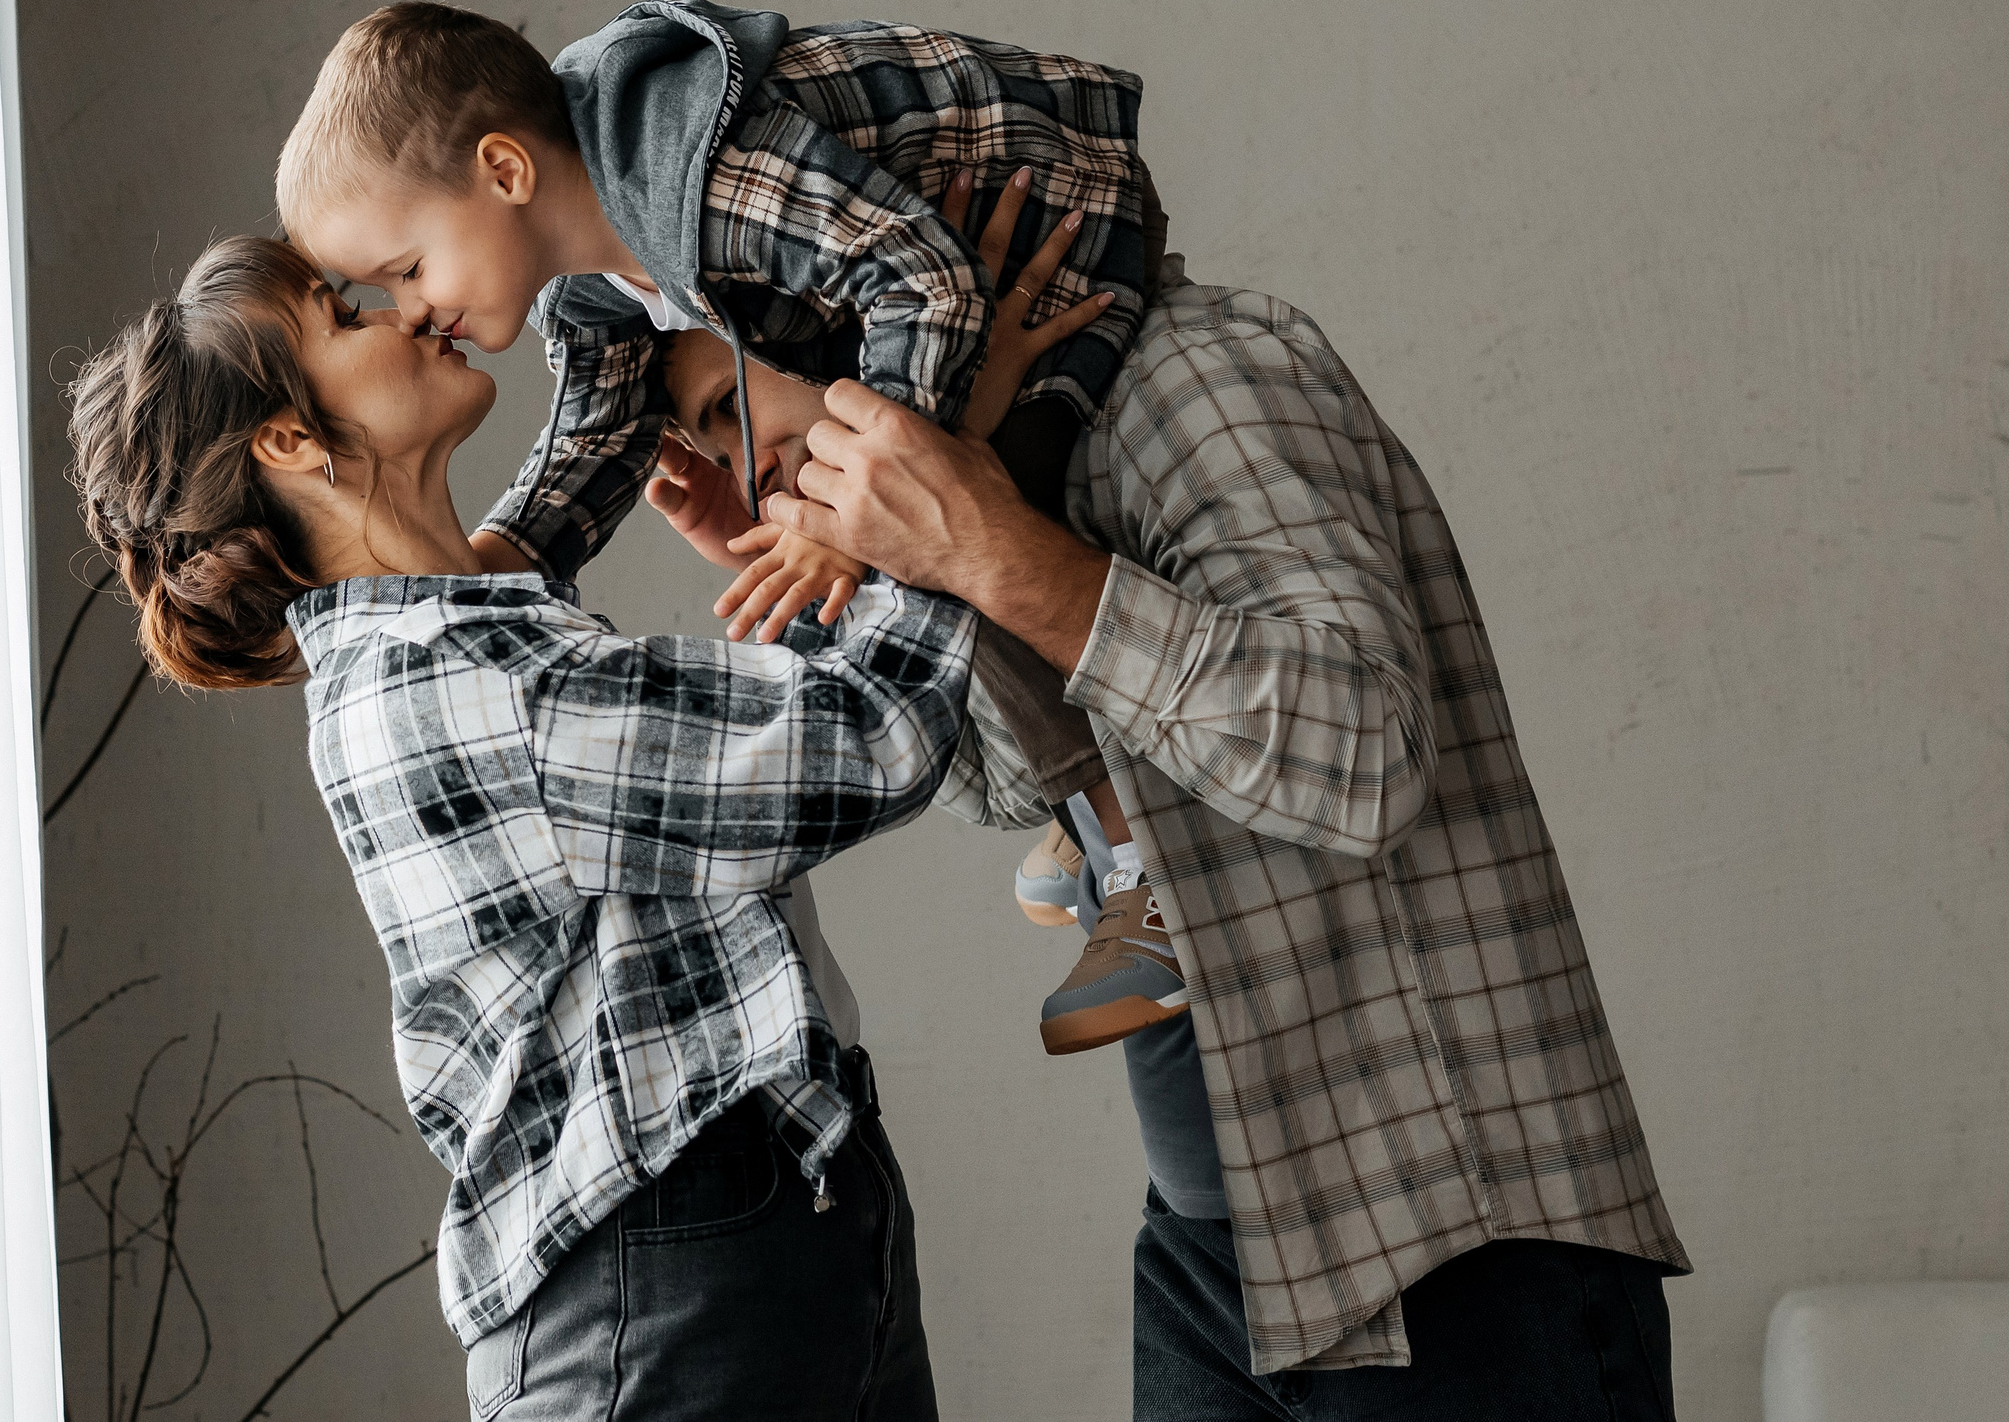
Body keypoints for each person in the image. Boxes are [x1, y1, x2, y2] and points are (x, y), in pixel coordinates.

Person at [678, 261, 1695, 1415]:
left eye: (727, 409)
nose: (740, 461)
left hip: (1447, 1245)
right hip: (1215, 1247)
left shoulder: (1194, 371)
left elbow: (1366, 754)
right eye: (707, 444)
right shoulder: (1005, 475)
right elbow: (999, 784)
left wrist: (986, 549)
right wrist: (848, 578)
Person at [63, 234, 981, 1421]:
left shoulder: (462, 621)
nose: (403, 309)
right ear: (289, 442)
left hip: (761, 1239)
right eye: (345, 316)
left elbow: (597, 407)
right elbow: (873, 735)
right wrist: (942, 443)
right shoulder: (451, 680)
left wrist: (573, 210)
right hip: (666, 1293)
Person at [276, 0, 1181, 1051]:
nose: (408, 310)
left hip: (1042, 220)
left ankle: (1134, 849)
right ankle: (1096, 804)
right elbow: (596, 436)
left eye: (406, 268)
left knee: (938, 535)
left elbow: (922, 277)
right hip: (926, 285)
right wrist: (488, 571)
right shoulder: (596, 278)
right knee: (909, 543)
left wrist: (851, 518)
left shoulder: (685, 170)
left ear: (504, 171)